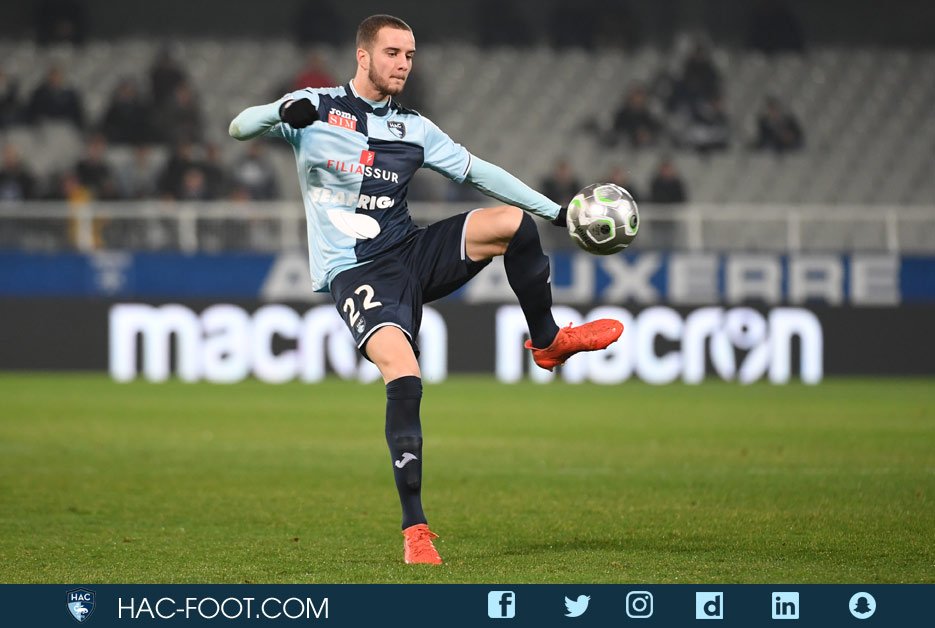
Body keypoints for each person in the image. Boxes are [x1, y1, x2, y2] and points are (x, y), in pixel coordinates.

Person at [229, 14, 623, 565]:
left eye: (410, 55)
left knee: (512, 223)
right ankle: (416, 530)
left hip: (410, 253)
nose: (404, 64)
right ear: (363, 56)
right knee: (405, 371)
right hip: (357, 272)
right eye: (393, 53)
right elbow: (240, 128)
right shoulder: (314, 108)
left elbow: (480, 172)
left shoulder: (413, 127)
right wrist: (278, 111)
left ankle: (548, 341)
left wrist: (557, 211)